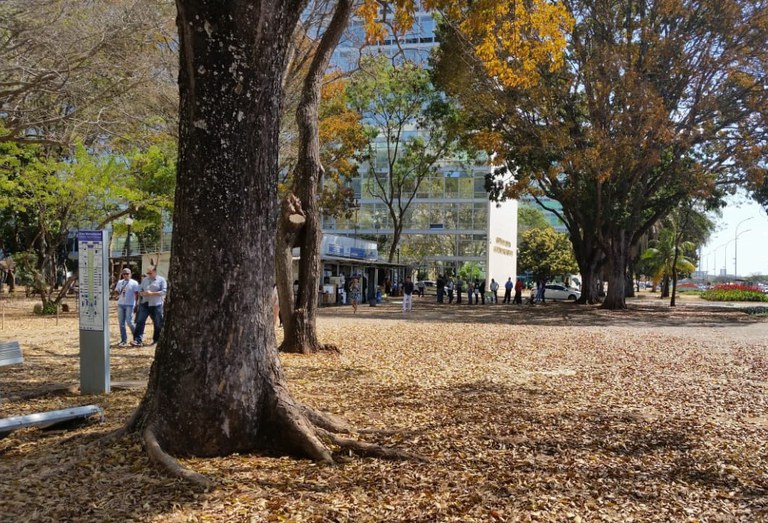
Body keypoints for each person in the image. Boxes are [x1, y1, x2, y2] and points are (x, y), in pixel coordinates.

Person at [132, 265, 167, 347]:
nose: (148, 274)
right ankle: (137, 340)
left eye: (150, 273)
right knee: (140, 321)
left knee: (158, 323)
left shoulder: (161, 280)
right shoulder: (145, 280)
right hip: (145, 303)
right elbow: (139, 290)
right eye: (147, 273)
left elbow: (164, 291)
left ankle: (156, 340)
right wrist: (142, 293)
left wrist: (152, 294)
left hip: (156, 304)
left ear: (155, 272)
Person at [114, 267, 140, 347]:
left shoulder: (134, 283)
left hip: (130, 304)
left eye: (127, 274)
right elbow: (117, 290)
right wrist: (116, 293)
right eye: (124, 274)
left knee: (129, 322)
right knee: (121, 323)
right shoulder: (120, 282)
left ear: (130, 274)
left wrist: (136, 304)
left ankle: (137, 338)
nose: (125, 275)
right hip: (121, 304)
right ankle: (123, 340)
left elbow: (137, 294)